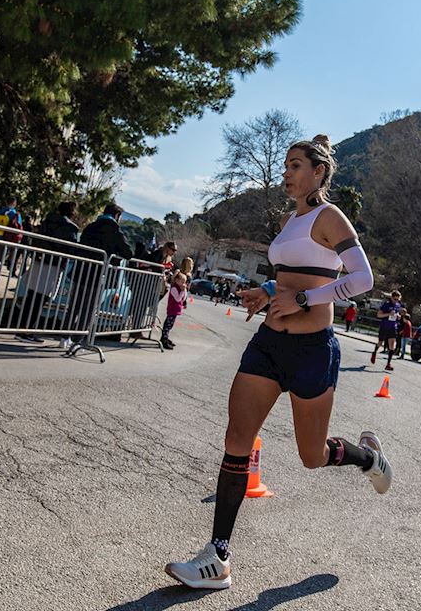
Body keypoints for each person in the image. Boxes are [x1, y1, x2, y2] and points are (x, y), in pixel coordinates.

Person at [165, 134, 389, 591]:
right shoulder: (291, 220)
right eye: (286, 165)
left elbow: (362, 279)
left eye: (295, 165)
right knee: (236, 439)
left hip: (312, 350)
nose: (286, 173)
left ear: (318, 173)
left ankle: (368, 458)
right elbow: (290, 276)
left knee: (312, 455)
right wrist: (266, 292)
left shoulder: (330, 217)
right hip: (268, 343)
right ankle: (218, 557)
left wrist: (304, 298)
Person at [13, 201, 84, 345]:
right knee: (41, 299)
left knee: (31, 296)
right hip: (54, 264)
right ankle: (27, 330)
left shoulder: (48, 220)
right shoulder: (70, 227)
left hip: (39, 260)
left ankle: (22, 328)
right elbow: (71, 248)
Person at [370, 291, 403, 370]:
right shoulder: (386, 305)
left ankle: (388, 364)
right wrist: (388, 314)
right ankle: (374, 352)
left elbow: (398, 315)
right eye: (395, 299)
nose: (396, 301)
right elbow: (379, 315)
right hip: (384, 326)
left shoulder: (398, 306)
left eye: (398, 300)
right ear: (391, 297)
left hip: (393, 327)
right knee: (380, 343)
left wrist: (398, 316)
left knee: (392, 346)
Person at [160, 272, 190, 349]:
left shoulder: (180, 288)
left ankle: (166, 337)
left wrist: (185, 290)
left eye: (185, 282)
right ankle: (164, 339)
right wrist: (182, 291)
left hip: (176, 310)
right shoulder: (174, 288)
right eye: (182, 281)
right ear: (176, 280)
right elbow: (178, 299)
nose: (183, 283)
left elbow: (183, 298)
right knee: (168, 324)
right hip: (172, 309)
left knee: (171, 325)